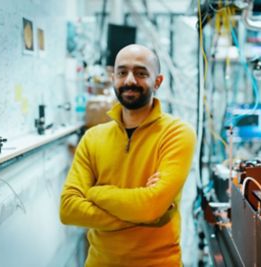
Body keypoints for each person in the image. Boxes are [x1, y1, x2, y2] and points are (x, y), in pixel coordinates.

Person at [60, 44, 196, 267]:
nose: (130, 80)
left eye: (141, 73)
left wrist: (95, 192)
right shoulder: (93, 137)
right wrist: (144, 214)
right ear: (114, 78)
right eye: (122, 72)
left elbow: (150, 206)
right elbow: (68, 209)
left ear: (158, 81)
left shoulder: (177, 133)